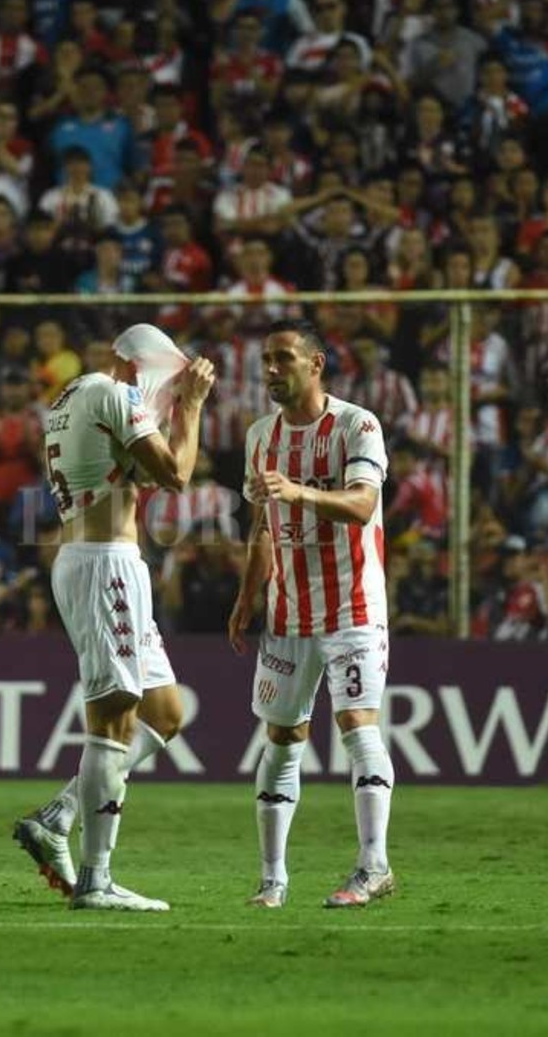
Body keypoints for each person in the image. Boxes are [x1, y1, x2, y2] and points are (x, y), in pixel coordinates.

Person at [11, 324, 215, 912]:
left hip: (94, 557)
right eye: (165, 383)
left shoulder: (74, 395)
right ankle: (97, 880)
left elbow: (135, 470)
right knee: (114, 717)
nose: (167, 395)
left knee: (163, 711)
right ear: (142, 370)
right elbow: (176, 474)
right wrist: (193, 409)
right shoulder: (114, 393)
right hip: (106, 564)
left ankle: (62, 814)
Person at [227, 318, 395, 910]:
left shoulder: (356, 425)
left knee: (357, 726)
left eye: (282, 360)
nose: (270, 371)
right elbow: (262, 526)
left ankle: (374, 866)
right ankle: (272, 881)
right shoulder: (259, 437)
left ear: (315, 363)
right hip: (288, 613)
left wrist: (300, 492)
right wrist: (249, 594)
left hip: (352, 606)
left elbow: (363, 504)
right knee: (282, 736)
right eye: (265, 361)